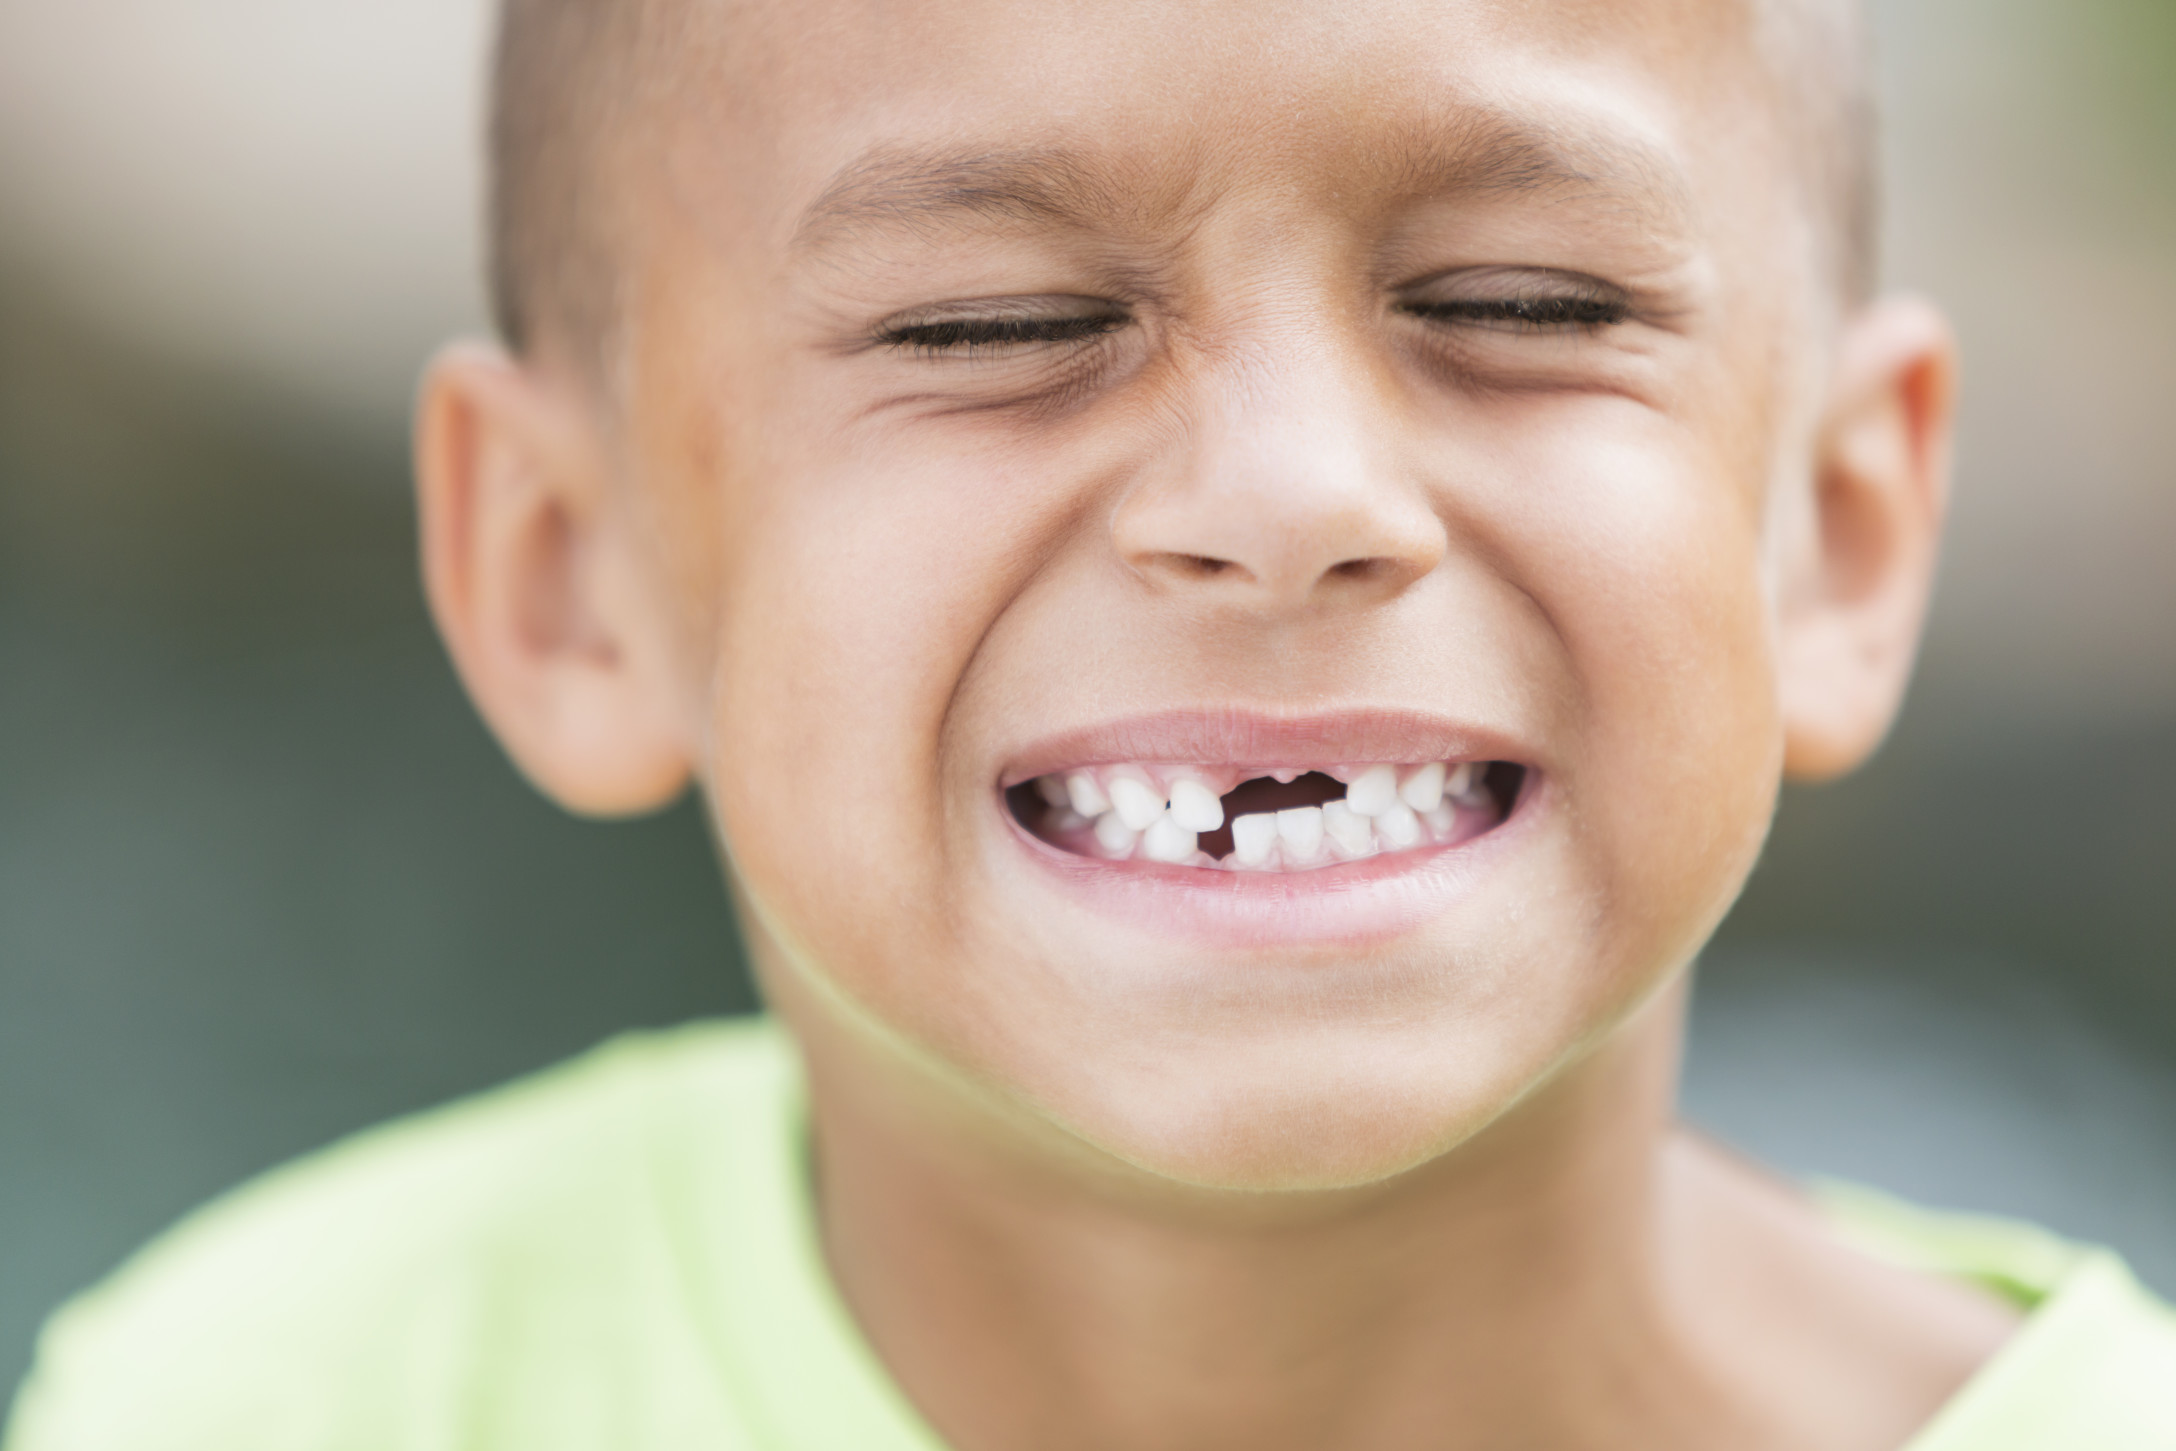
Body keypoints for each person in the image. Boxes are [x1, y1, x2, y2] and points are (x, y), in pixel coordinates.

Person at [9, 0, 2174, 1446]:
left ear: (1837, 534)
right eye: (998, 325)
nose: (1292, 493)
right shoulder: (267, 1395)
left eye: (1521, 305)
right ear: (566, 579)